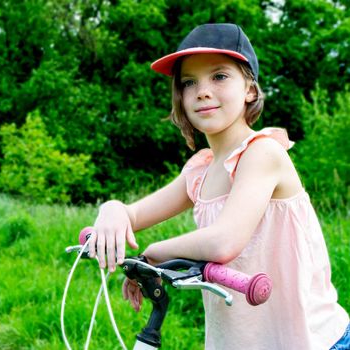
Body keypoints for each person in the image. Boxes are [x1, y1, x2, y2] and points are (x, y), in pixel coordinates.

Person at [89, 23, 349, 349]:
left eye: (220, 76)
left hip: (309, 339)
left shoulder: (262, 153)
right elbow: (133, 213)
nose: (202, 91)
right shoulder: (201, 169)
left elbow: (224, 241)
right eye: (189, 82)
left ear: (250, 89)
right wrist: (111, 210)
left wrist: (153, 254)